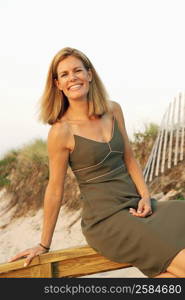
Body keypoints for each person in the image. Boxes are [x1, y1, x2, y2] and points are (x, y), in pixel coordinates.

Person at [8, 47, 185, 278]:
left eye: (77, 70)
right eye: (64, 74)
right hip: (105, 220)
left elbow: (129, 156)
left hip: (135, 205)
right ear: (58, 84)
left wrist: (144, 196)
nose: (72, 77)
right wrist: (44, 245)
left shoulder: (113, 109)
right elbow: (55, 189)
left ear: (89, 74)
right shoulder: (60, 132)